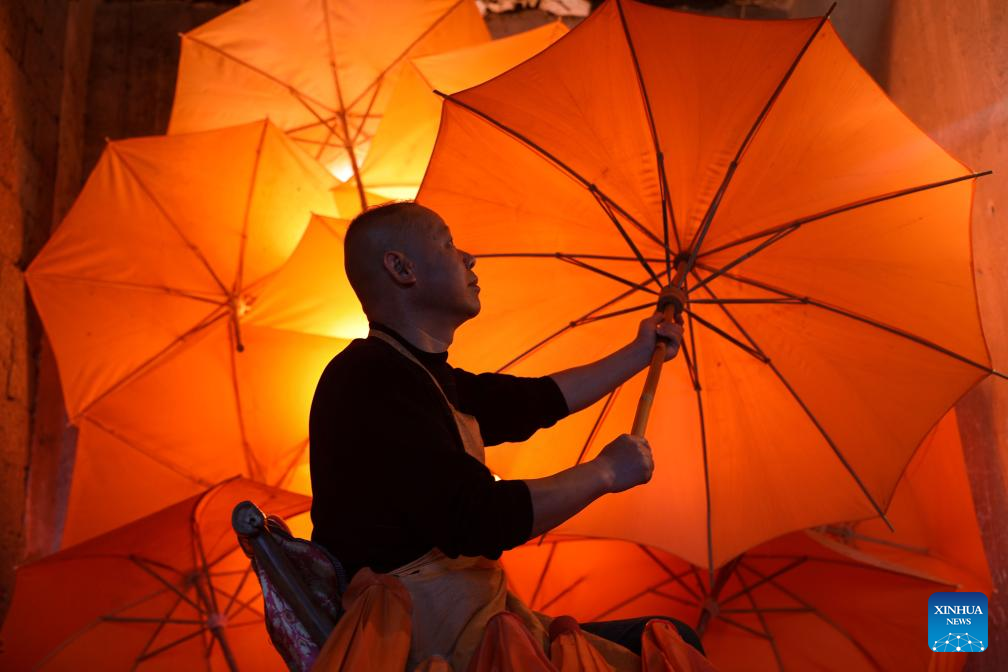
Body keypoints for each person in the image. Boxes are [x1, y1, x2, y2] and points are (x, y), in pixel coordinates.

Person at [309, 201, 699, 668]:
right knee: (666, 645)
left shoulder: (425, 376)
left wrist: (640, 352)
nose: (469, 257)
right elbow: (480, 518)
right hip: (434, 642)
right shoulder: (369, 378)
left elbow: (534, 402)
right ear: (401, 267)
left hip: (473, 620)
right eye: (449, 242)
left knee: (671, 635)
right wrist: (606, 472)